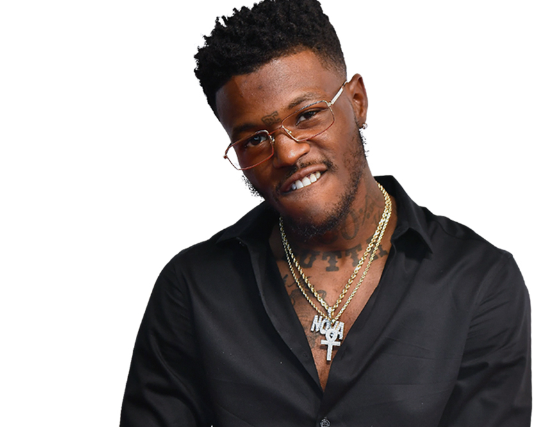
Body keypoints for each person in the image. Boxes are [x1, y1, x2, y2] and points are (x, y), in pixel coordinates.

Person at [120, 0, 531, 425]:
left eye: (308, 115)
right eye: (255, 140)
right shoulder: (191, 289)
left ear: (357, 101)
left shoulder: (478, 280)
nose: (287, 152)